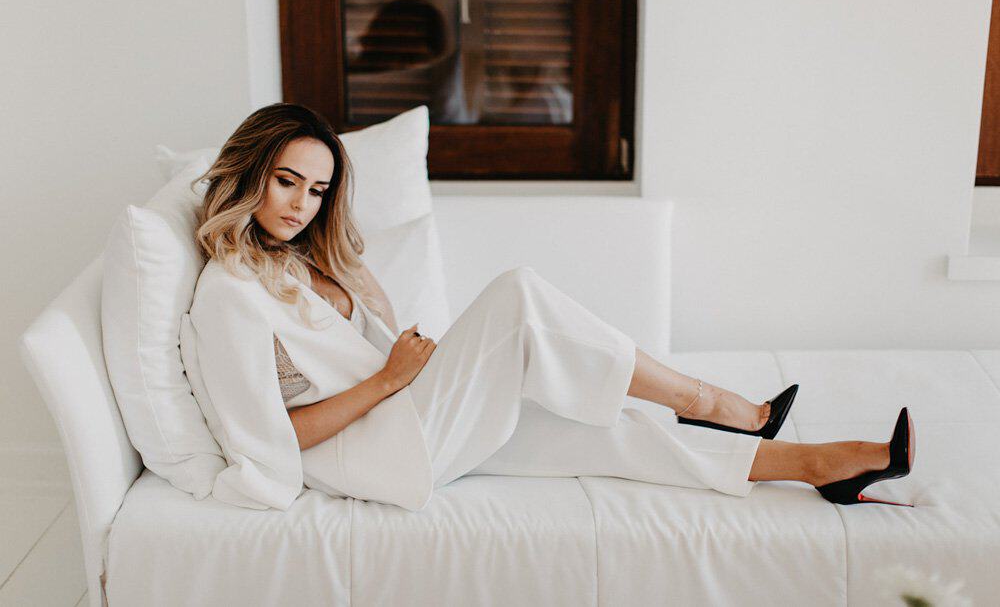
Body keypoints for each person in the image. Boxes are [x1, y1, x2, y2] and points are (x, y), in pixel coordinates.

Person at [185, 102, 916, 512]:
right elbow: (268, 440)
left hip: (412, 418)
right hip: (384, 448)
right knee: (518, 296)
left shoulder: (295, 260)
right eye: (287, 181)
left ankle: (819, 463)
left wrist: (368, 306)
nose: (301, 204)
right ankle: (719, 401)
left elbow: (362, 343)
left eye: (316, 191)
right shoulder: (226, 296)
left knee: (606, 430)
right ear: (251, 170)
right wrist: (388, 379)